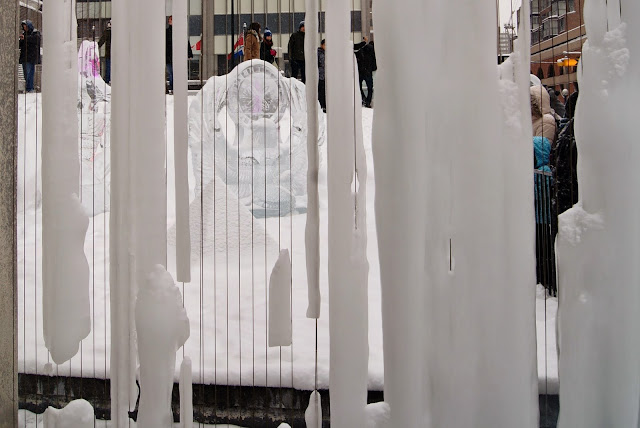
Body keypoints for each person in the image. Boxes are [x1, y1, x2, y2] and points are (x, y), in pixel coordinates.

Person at [531, 85, 557, 295]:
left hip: (540, 181)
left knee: (542, 233)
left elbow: (542, 148)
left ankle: (545, 276)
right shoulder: (533, 122)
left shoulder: (546, 122)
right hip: (535, 179)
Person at [166, 15, 194, 94]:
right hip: (169, 57)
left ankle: (175, 89)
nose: (172, 21)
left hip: (176, 56)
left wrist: (189, 54)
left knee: (175, 73)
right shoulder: (167, 32)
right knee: (172, 73)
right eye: (171, 20)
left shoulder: (180, 32)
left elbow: (186, 43)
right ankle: (173, 89)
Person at [354, 37, 377, 108]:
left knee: (359, 86)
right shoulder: (373, 51)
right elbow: (374, 62)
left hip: (360, 71)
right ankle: (368, 101)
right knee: (370, 88)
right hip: (368, 72)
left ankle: (363, 98)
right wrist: (372, 69)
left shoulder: (361, 49)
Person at [19, 19, 41, 92]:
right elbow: (20, 45)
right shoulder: (24, 34)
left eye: (25, 26)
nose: (25, 28)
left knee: (29, 73)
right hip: (25, 57)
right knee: (26, 73)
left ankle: (30, 88)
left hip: (31, 57)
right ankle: (29, 87)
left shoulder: (35, 33)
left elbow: (36, 39)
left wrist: (25, 38)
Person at [318, 39, 326, 112]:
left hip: (327, 76)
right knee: (321, 91)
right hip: (321, 75)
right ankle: (321, 105)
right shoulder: (319, 53)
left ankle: (325, 105)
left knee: (326, 91)